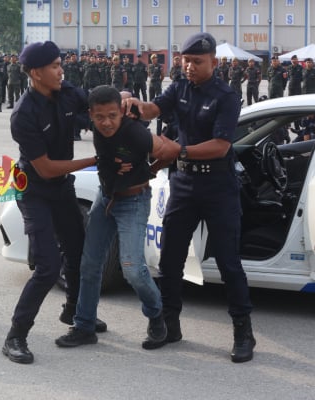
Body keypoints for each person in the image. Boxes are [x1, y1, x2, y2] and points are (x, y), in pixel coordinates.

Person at [122, 32, 256, 363]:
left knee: (228, 264)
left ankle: (243, 332)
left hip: (218, 187)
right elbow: (155, 108)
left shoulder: (226, 96)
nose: (190, 66)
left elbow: (221, 146)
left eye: (197, 61)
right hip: (184, 184)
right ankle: (170, 324)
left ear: (213, 62)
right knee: (170, 261)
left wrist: (177, 149)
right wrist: (135, 106)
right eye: (185, 60)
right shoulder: (179, 86)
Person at [2, 41, 105, 365]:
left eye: (61, 64)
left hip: (61, 187)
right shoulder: (24, 114)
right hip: (33, 189)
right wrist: (93, 159)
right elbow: (45, 167)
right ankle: (16, 336)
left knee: (78, 251)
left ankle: (74, 312)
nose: (62, 70)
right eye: (55, 66)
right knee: (47, 266)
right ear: (36, 73)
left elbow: (95, 107)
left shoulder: (66, 92)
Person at [54, 86, 180, 349]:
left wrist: (148, 171)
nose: (106, 122)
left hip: (133, 201)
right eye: (100, 117)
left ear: (120, 114)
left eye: (112, 115)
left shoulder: (134, 132)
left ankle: (157, 315)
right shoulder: (95, 121)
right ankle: (85, 325)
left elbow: (170, 151)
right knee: (90, 265)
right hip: (106, 198)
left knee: (133, 269)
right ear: (91, 115)